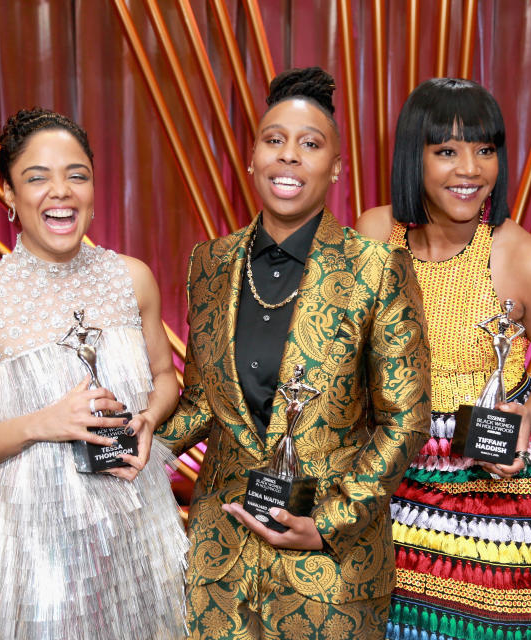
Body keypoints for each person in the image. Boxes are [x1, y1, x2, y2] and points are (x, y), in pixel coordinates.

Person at [156, 67, 431, 639]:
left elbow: (405, 422)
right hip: (220, 559)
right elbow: (205, 401)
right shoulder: (208, 264)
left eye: (310, 144)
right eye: (274, 140)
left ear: (335, 169)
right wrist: (147, 441)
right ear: (252, 157)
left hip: (330, 568)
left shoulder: (376, 268)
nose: (288, 157)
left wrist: (328, 522)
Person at [0, 108, 188, 639]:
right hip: (47, 554)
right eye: (36, 177)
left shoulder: (131, 279)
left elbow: (167, 380)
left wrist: (148, 421)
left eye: (76, 174)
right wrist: (44, 422)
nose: (61, 191)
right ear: (7, 193)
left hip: (142, 531)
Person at [357, 78, 531, 640]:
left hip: (498, 498)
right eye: (447, 151)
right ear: (414, 156)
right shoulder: (374, 233)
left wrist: (523, 421)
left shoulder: (526, 259)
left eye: (485, 150)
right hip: (394, 484)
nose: (470, 169)